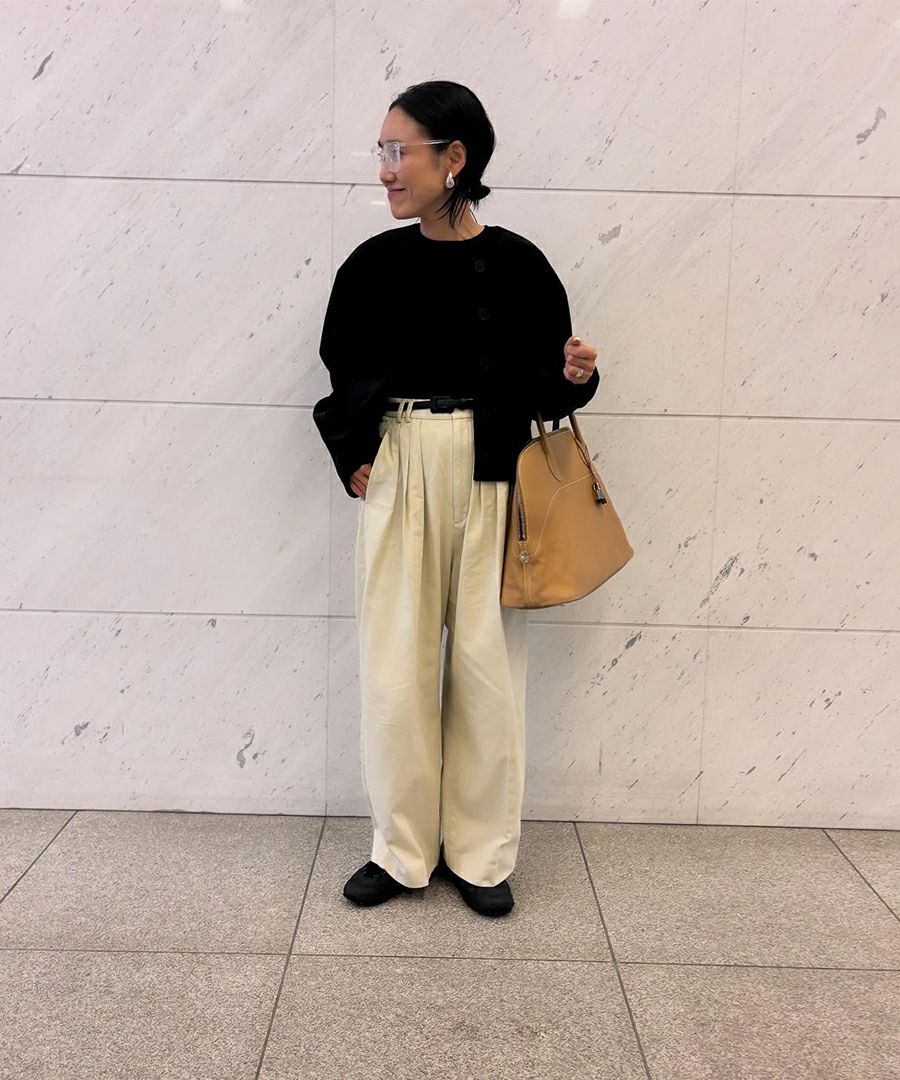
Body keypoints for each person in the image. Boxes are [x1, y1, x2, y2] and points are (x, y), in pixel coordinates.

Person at [313, 80, 599, 917]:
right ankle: (401, 851)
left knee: (485, 668)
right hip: (401, 459)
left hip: (493, 467)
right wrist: (354, 453)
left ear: (454, 158)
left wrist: (576, 377)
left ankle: (479, 853)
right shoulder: (372, 264)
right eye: (382, 151)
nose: (385, 169)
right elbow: (340, 371)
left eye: (398, 151)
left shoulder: (518, 263)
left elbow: (548, 382)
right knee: (395, 668)